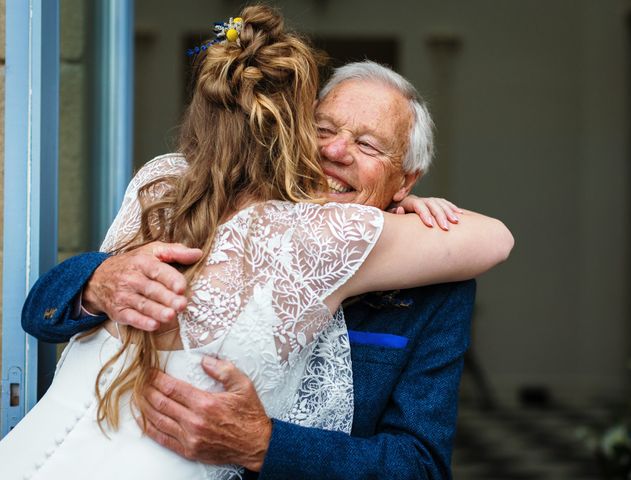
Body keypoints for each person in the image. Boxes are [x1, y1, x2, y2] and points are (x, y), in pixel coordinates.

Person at [12, 10, 514, 480]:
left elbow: (419, 465)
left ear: (406, 180)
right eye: (323, 130)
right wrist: (97, 281)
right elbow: (39, 312)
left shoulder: (437, 287)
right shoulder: (197, 200)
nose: (335, 152)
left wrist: (266, 445)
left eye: (367, 146)